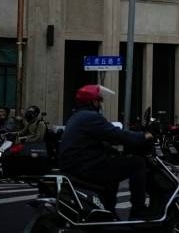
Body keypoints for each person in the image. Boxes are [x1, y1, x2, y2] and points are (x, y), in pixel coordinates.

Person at [58, 84, 156, 219]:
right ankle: (138, 210)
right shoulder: (91, 117)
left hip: (77, 164)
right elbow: (116, 134)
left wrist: (113, 151)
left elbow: (97, 140)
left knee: (113, 168)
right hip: (86, 166)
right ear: (93, 101)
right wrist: (142, 136)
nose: (100, 104)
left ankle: (108, 210)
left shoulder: (77, 117)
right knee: (138, 164)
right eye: (99, 101)